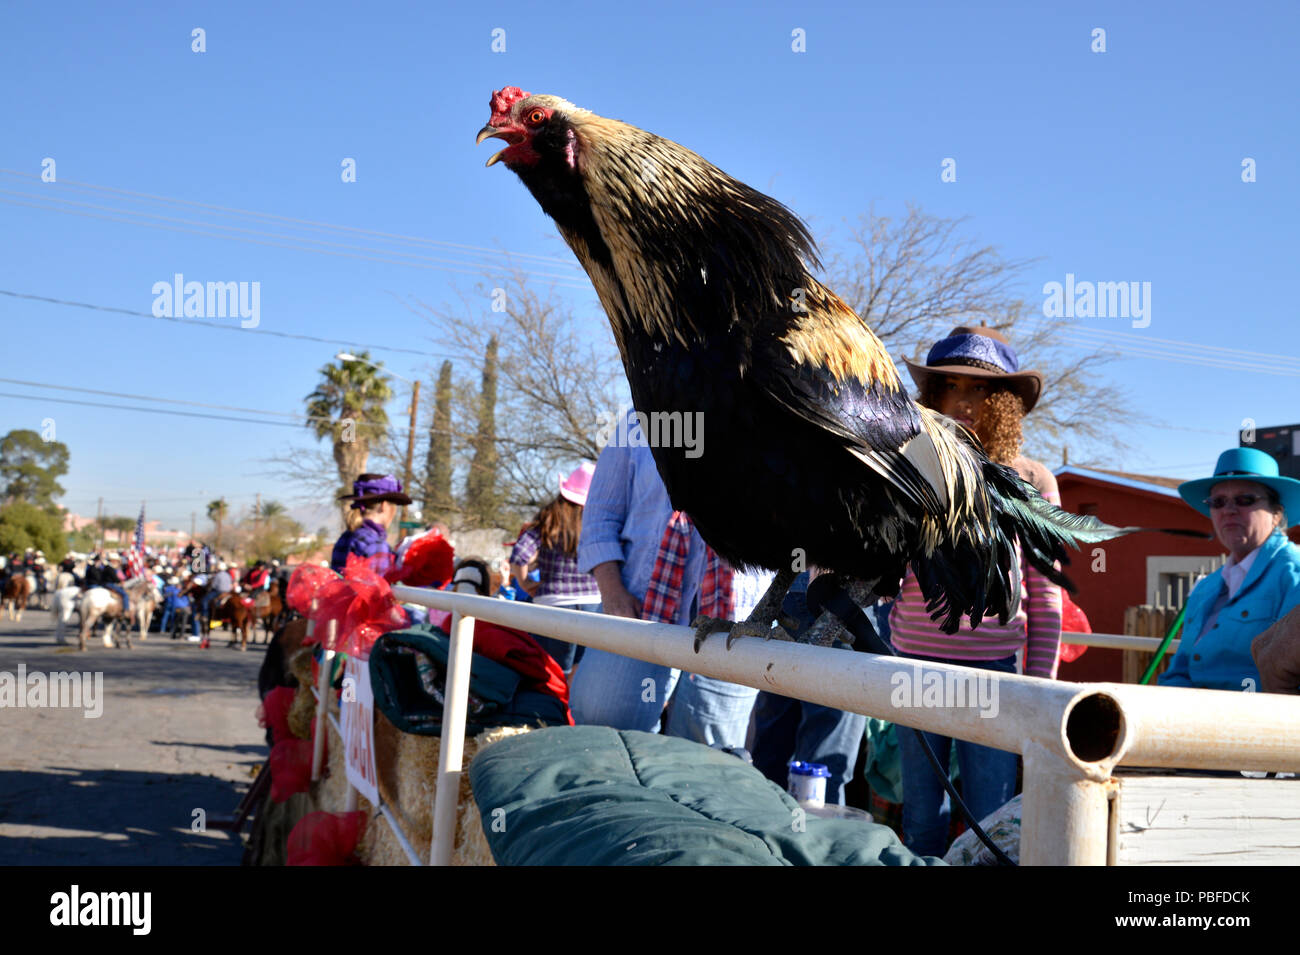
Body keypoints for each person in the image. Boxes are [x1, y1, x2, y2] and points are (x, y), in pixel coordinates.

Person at [890, 325, 1063, 857]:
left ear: (1004, 402)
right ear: (932, 396)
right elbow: (880, 562)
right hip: (913, 668)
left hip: (993, 676)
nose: (963, 401)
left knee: (991, 818)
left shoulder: (1031, 478)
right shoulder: (908, 464)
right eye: (950, 387)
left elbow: (1046, 591)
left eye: (980, 389)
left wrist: (1037, 689)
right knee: (921, 815)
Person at [570, 408, 753, 748]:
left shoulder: (769, 413)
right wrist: (612, 593)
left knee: (709, 757)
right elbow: (600, 517)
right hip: (637, 610)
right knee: (602, 727)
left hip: (737, 623)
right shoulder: (642, 419)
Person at [1159, 447, 1300, 692]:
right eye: (1218, 501)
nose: (1228, 510)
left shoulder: (1294, 575)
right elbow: (1180, 669)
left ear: (1277, 514)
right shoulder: (1206, 587)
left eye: (1245, 499)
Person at [508, 462, 601, 675]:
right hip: (594, 606)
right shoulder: (598, 521)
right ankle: (571, 707)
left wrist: (526, 583)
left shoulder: (549, 520)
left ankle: (550, 706)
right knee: (582, 672)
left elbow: (519, 556)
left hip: (552, 606)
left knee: (550, 672)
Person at [331, 473, 412, 574]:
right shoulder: (376, 544)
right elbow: (378, 587)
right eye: (394, 505)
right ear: (384, 506)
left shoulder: (346, 536)